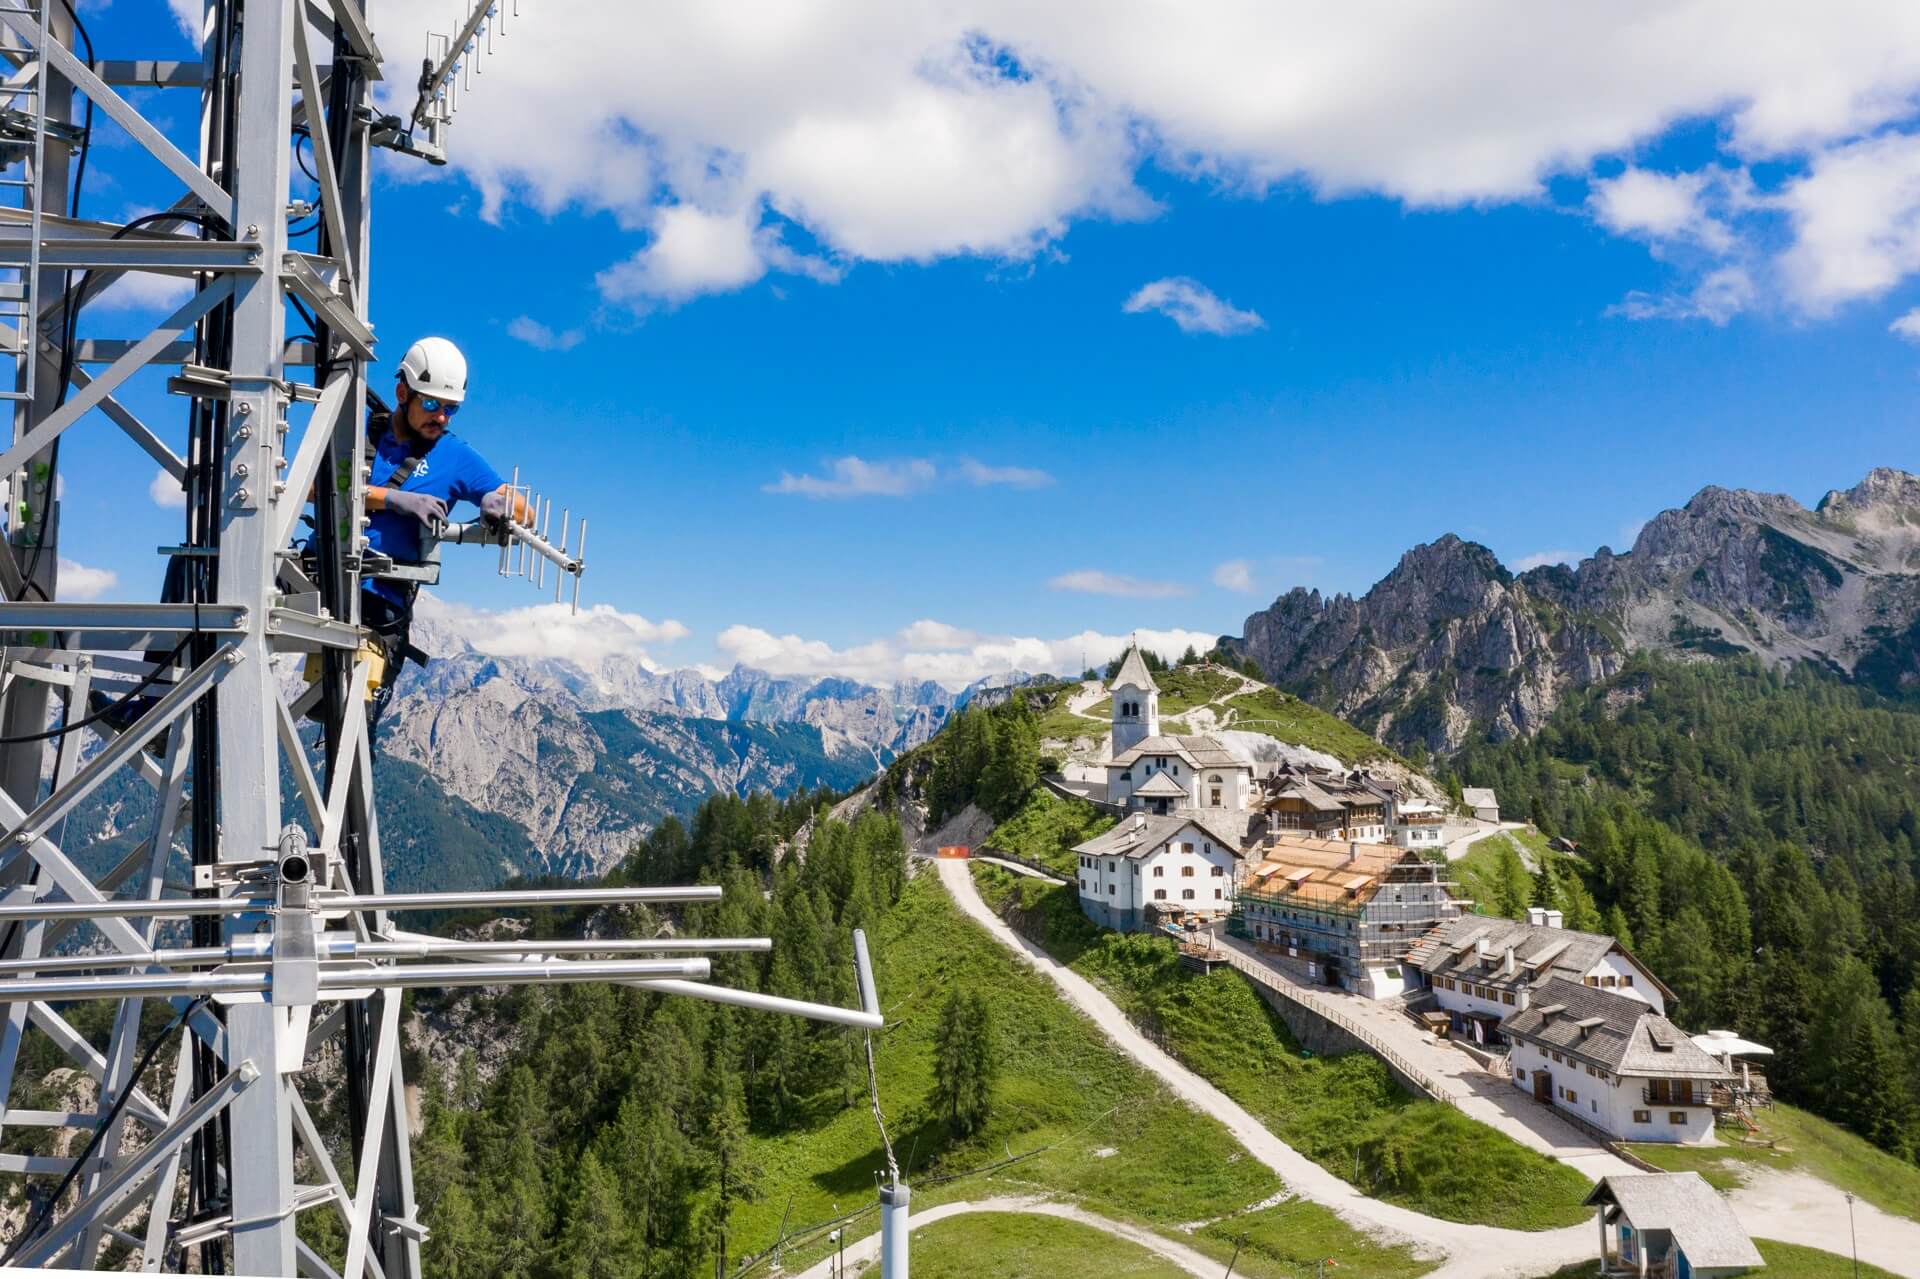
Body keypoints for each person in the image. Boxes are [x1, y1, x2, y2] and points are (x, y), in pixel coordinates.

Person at [360, 336, 521, 707]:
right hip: (326, 587)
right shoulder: (355, 430)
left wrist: (498, 502)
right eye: (432, 404)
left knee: (358, 721)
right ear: (403, 392)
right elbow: (313, 489)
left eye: (452, 409)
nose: (442, 417)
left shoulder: (453, 455)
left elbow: (520, 506)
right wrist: (392, 499)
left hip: (384, 606)